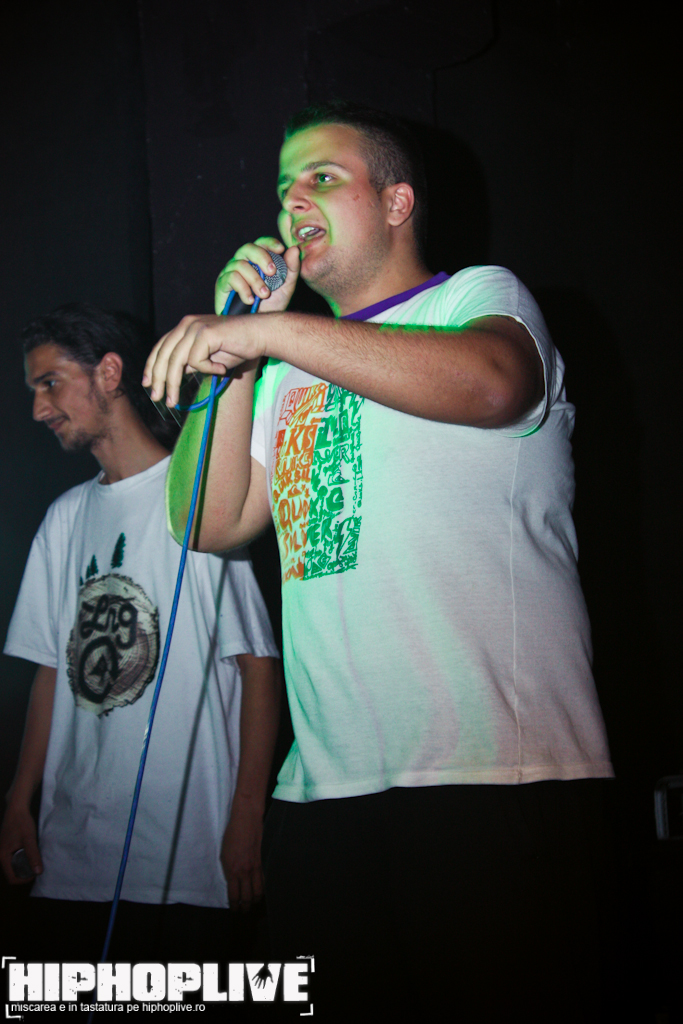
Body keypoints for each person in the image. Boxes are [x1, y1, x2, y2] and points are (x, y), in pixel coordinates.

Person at [143, 103, 613, 1021]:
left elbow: (494, 384)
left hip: (491, 780)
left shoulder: (475, 297)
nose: (292, 202)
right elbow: (207, 520)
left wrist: (273, 334)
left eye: (322, 178)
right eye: (283, 188)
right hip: (325, 792)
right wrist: (237, 360)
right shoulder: (282, 368)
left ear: (397, 203)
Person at [1, 303, 281, 967]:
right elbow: (51, 669)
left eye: (49, 383)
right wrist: (17, 801)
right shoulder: (64, 518)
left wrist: (248, 816)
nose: (38, 409)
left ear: (109, 373)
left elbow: (258, 666)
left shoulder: (197, 499)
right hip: (69, 860)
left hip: (183, 862)